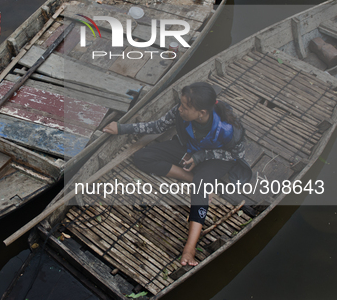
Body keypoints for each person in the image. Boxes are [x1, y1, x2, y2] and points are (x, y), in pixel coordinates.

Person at [103, 82, 250, 266]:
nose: (179, 109)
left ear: (201, 113)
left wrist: (202, 156)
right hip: (190, 149)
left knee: (201, 185)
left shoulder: (229, 129)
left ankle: (190, 246)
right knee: (142, 157)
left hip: (216, 159)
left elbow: (235, 155)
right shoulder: (181, 113)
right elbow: (157, 126)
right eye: (181, 104)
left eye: (185, 107)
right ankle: (194, 180)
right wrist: (122, 128)